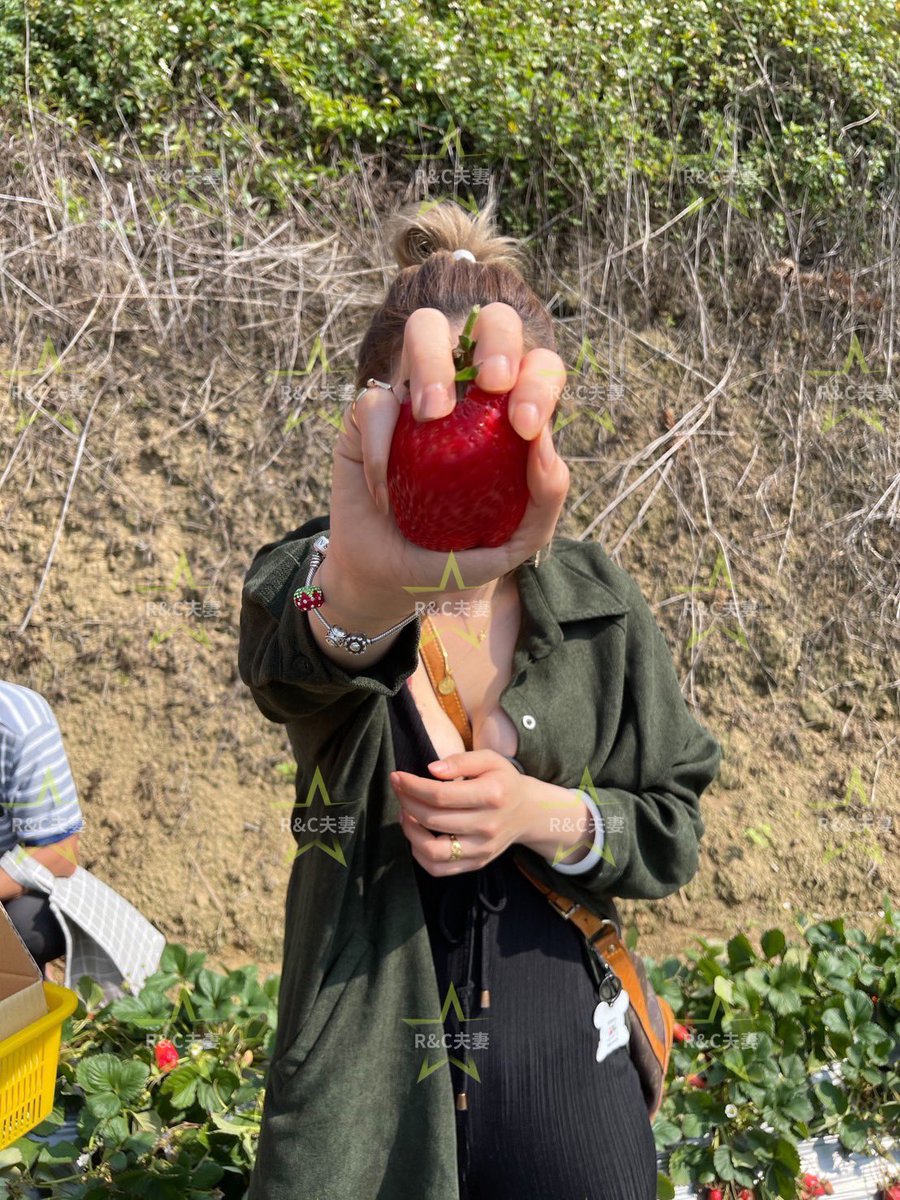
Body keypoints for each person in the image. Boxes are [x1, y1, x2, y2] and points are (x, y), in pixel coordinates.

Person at [238, 198, 723, 1200]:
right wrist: (371, 594)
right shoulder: (315, 575)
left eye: (487, 415)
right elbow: (296, 655)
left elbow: (674, 825)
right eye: (418, 401)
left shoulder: (598, 602)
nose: (456, 428)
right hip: (363, 1068)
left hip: (564, 1060)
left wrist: (542, 812)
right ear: (369, 410)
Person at [0, 680, 84, 977]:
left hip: (8, 890)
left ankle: (25, 985)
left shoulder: (21, 724)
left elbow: (61, 853)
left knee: (31, 925)